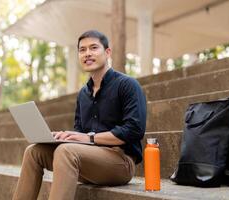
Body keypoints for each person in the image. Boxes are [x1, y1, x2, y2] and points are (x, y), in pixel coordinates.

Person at [12, 30, 147, 200]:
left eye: (93, 48)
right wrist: (64, 137)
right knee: (34, 151)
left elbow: (133, 130)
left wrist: (89, 138)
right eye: (82, 50)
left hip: (120, 163)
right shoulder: (83, 93)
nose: (87, 53)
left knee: (66, 151)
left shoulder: (127, 85)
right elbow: (80, 133)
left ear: (107, 52)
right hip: (86, 160)